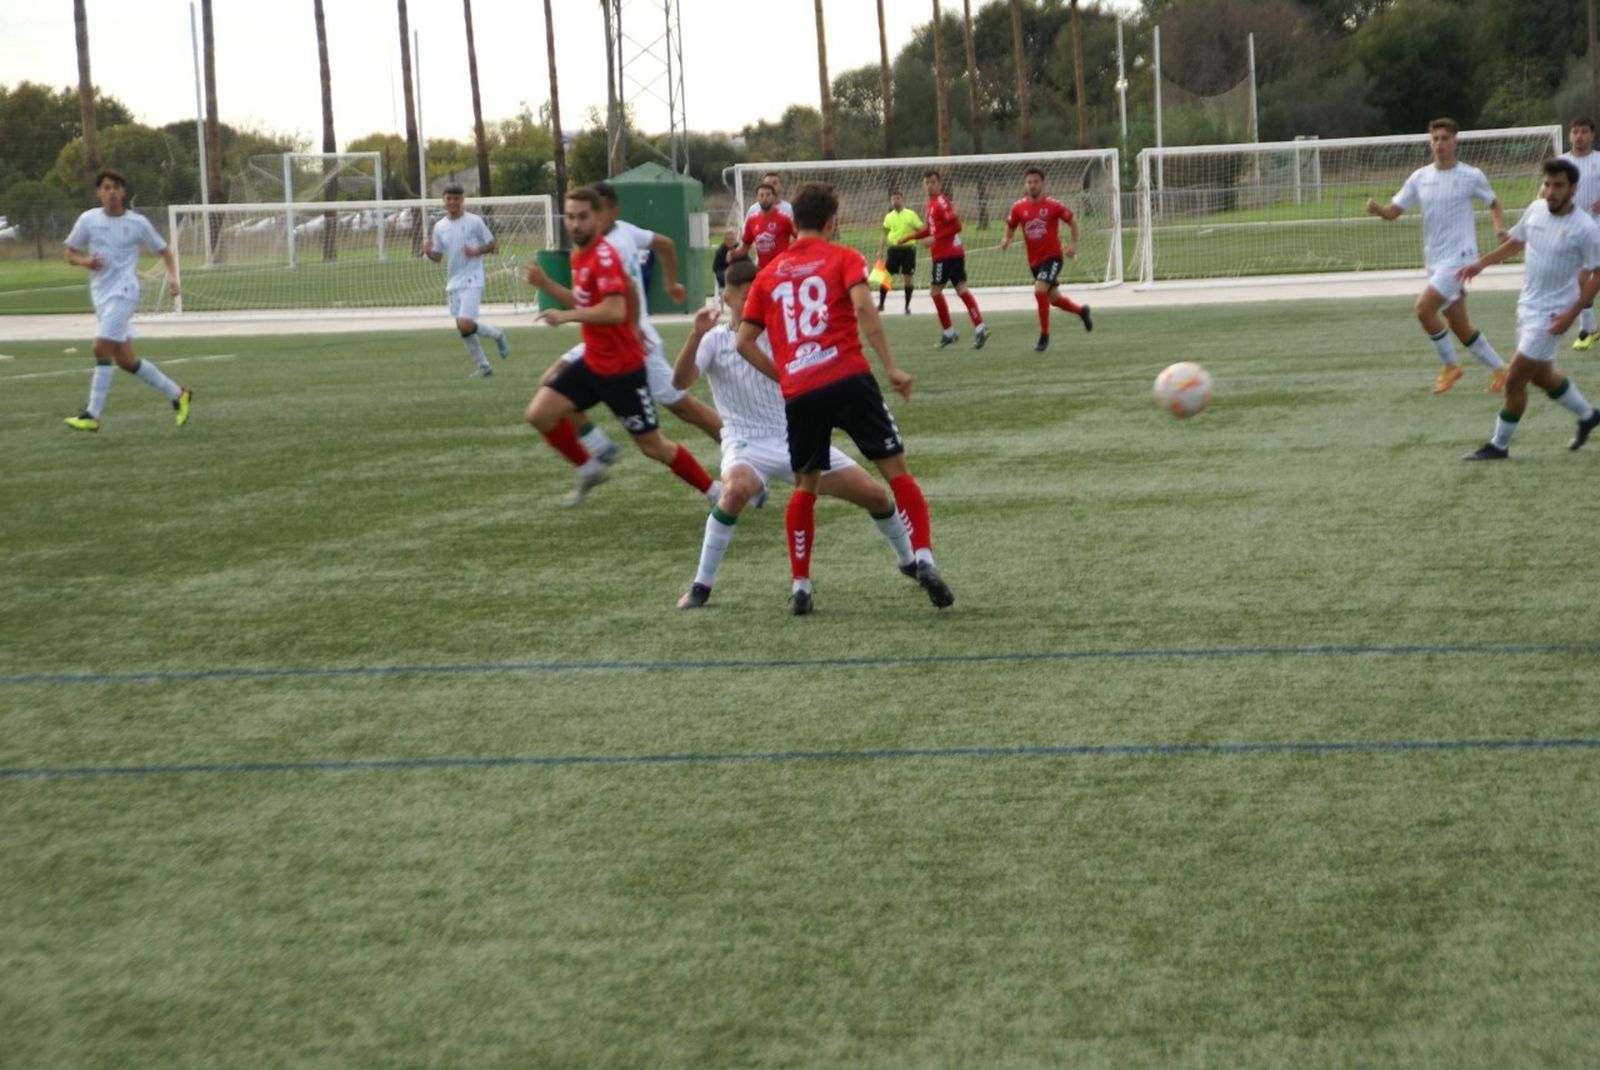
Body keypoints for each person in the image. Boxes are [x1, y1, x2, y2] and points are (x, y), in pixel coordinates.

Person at [735, 181, 954, 615]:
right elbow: (863, 309)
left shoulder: (768, 274)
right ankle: (923, 558)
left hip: (801, 391)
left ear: (792, 224)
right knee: (897, 473)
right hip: (849, 378)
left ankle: (800, 585)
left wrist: (785, 375)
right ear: (832, 222)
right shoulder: (844, 258)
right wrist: (891, 367)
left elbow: (744, 341)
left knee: (806, 486)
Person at [672, 258, 916, 609]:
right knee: (735, 491)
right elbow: (679, 383)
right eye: (747, 294)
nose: (759, 300)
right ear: (728, 298)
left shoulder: (786, 334)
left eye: (761, 292)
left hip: (797, 435)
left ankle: (910, 562)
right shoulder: (714, 341)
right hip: (746, 441)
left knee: (875, 495)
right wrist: (694, 334)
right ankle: (701, 586)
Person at [530, 181, 724, 504]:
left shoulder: (605, 255)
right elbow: (617, 293)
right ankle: (591, 464)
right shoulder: (581, 256)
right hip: (594, 360)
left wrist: (571, 316)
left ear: (599, 216)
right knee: (540, 412)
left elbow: (614, 308)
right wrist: (546, 283)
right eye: (570, 217)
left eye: (582, 216)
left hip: (624, 367)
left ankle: (714, 489)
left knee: (656, 444)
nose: (576, 223)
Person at [1456, 159, 1600, 460]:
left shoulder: (1585, 228)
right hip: (1527, 307)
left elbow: (1596, 274)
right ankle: (1588, 416)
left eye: (1558, 185)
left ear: (1573, 189)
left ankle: (1499, 445)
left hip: (1553, 316)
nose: (1550, 191)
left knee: (1514, 378)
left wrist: (1571, 315)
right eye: (1547, 184)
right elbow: (1515, 243)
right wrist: (1479, 264)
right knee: (1541, 374)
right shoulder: (1535, 210)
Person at [1365, 118, 1509, 394]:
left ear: (1456, 141)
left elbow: (1493, 203)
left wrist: (1499, 228)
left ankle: (1451, 365)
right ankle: (1501, 369)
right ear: (1430, 143)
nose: (1440, 143)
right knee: (1458, 323)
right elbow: (1394, 211)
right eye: (1435, 139)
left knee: (1423, 309)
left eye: (1445, 138)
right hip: (1434, 259)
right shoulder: (1420, 177)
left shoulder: (1470, 175)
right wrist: (1378, 210)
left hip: (1460, 257)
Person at [61, 170, 191, 432]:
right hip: (101, 294)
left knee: (100, 347)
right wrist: (86, 262)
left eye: (115, 188)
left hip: (125, 291)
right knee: (125, 360)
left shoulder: (138, 223)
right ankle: (179, 394)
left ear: (123, 192)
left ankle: (92, 414)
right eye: (106, 188)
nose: (111, 192)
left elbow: (165, 251)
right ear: (98, 193)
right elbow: (70, 253)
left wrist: (173, 278)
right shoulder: (88, 220)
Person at [1002, 166, 1094, 352]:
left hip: (1053, 258)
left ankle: (1044, 336)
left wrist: (1073, 244)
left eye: (1036, 182)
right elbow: (1011, 225)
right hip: (1034, 261)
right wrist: (1006, 238)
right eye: (1029, 182)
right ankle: (1081, 312)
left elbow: (1072, 222)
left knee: (1039, 290)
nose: (1032, 185)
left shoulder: (1053, 205)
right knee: (1054, 299)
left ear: (1042, 184)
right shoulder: (1018, 207)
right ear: (1025, 185)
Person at [422, 184, 509, 377]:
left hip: (473, 278)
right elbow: (437, 258)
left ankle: (497, 335)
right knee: (463, 329)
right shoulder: (439, 227)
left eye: (456, 198)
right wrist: (428, 251)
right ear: (444, 201)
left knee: (465, 324)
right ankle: (484, 366)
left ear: (462, 200)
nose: (452, 202)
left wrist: (477, 251)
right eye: (449, 198)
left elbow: (493, 244)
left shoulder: (475, 221)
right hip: (453, 282)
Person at [907, 169, 989, 350]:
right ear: (923, 184)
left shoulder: (941, 203)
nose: (930, 185)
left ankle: (949, 332)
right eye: (927, 182)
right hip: (953, 253)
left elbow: (957, 226)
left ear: (939, 183)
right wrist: (910, 237)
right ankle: (980, 327)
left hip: (945, 255)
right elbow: (931, 229)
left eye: (933, 182)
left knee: (935, 292)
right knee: (961, 289)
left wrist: (934, 239)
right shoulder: (931, 204)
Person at [1558, 118, 1600, 349]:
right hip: (1572, 230)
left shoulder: (1599, 161)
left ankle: (1588, 329)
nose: (1579, 136)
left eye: (1584, 132)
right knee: (1580, 280)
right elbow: (1546, 191)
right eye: (1575, 132)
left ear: (1592, 135)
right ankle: (1589, 329)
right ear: (1569, 136)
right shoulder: (1562, 162)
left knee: (1584, 278)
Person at [875, 190, 921, 314]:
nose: (895, 201)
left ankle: (907, 306)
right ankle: (881, 304)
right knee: (886, 277)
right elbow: (884, 234)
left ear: (902, 199)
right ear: (891, 201)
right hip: (893, 250)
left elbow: (921, 229)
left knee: (908, 277)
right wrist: (880, 250)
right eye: (893, 199)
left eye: (897, 198)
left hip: (908, 250)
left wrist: (914, 236)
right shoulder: (888, 216)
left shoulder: (911, 214)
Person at [732, 183, 798, 270]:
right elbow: (746, 245)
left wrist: (794, 253)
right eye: (761, 195)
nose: (764, 198)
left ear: (773, 197)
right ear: (757, 198)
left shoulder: (785, 218)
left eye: (768, 195)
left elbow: (799, 236)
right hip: (762, 268)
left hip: (781, 268)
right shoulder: (752, 220)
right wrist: (733, 254)